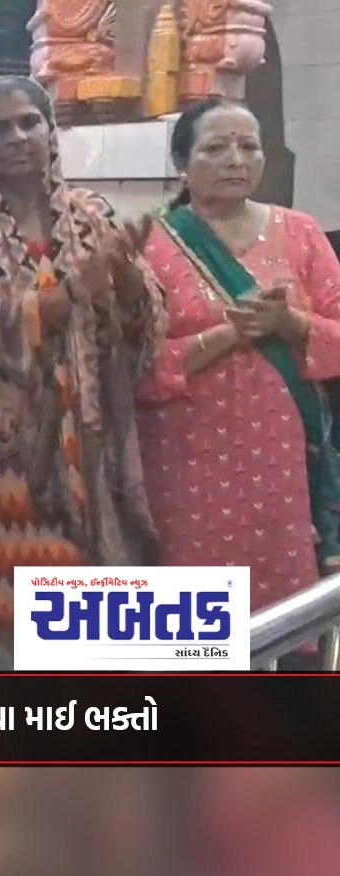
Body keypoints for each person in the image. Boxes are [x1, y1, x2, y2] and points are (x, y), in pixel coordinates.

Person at [0, 76, 165, 643]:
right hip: (3, 452)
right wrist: (70, 293)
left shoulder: (90, 214)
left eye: (30, 122)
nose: (18, 137)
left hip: (90, 440)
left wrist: (128, 279)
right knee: (14, 613)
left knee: (96, 613)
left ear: (50, 132)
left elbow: (146, 325)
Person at [138, 98, 340, 611]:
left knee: (284, 614)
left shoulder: (302, 233)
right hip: (185, 466)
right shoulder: (149, 244)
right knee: (195, 621)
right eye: (216, 147)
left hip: (285, 467)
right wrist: (229, 334)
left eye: (248, 147)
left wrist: (289, 324)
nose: (236, 159)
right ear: (182, 163)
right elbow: (134, 368)